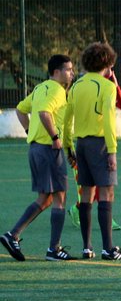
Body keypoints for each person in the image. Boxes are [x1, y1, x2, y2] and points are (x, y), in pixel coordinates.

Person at [1, 55, 77, 262]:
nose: (72, 73)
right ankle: (54, 249)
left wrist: (29, 131)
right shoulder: (56, 90)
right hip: (48, 148)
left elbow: (20, 109)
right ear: (56, 72)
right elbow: (44, 113)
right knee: (60, 197)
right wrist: (54, 138)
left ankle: (12, 235)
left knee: (46, 198)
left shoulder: (39, 88)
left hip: (36, 148)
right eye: (68, 69)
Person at [62, 42, 121, 261]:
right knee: (106, 193)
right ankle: (108, 249)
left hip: (80, 145)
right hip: (100, 145)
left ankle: (86, 247)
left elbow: (67, 120)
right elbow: (109, 121)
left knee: (86, 194)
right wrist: (112, 151)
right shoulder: (107, 87)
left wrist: (68, 146)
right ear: (108, 64)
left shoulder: (76, 86)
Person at [69, 66, 121, 232]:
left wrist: (116, 84)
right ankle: (80, 210)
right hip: (89, 141)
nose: (111, 69)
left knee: (100, 186)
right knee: (94, 186)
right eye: (109, 66)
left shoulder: (108, 86)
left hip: (98, 141)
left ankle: (93, 214)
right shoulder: (84, 85)